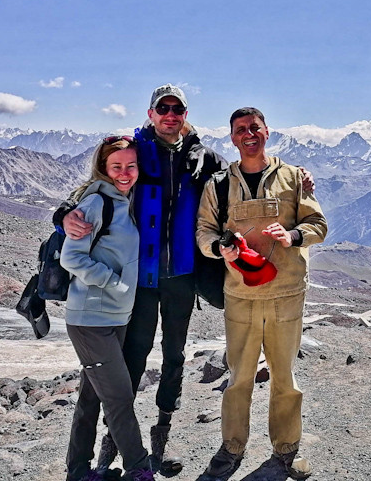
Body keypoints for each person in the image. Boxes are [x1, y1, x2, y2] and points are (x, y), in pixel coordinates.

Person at [55, 85, 226, 474]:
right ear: (151, 113)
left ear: (185, 113)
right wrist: (64, 213)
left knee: (175, 358)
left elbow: (239, 186)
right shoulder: (137, 150)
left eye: (176, 108)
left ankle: (161, 439)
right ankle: (111, 447)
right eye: (162, 108)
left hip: (182, 276)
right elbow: (95, 185)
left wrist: (298, 179)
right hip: (141, 282)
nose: (170, 114)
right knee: (132, 362)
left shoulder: (204, 157)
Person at [196, 107, 328, 480]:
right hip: (240, 294)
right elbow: (204, 231)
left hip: (286, 293)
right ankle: (232, 446)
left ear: (267, 131)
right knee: (238, 376)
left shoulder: (292, 178)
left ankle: (286, 447)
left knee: (283, 374)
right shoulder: (219, 185)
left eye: (254, 128)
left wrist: (294, 236)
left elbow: (317, 223)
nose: (248, 134)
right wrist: (218, 246)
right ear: (232, 137)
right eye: (240, 130)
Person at [59, 136, 154, 481]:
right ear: (104, 167)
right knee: (119, 399)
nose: (125, 173)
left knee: (91, 398)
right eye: (117, 166)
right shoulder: (99, 202)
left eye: (131, 166)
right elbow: (71, 256)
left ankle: (78, 471)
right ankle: (139, 469)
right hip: (91, 319)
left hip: (113, 317)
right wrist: (114, 283)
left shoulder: (123, 200)